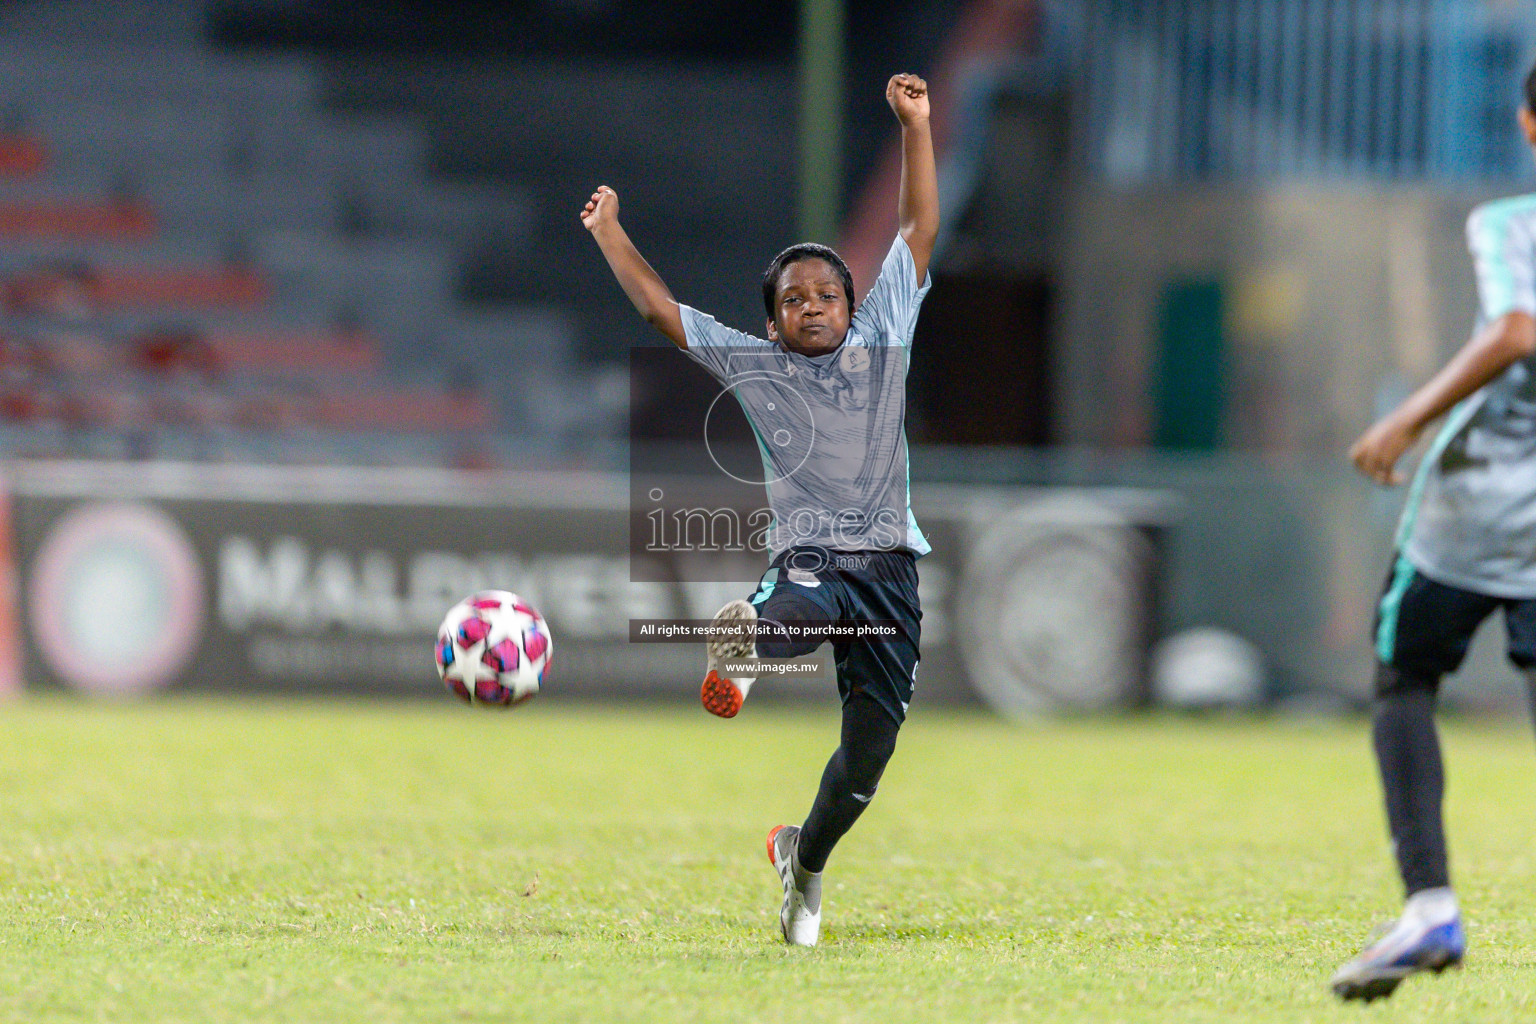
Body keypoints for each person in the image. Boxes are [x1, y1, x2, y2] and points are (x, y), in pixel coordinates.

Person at [581, 73, 938, 946]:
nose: (812, 305)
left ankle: (801, 860)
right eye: (792, 300)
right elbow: (661, 311)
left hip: (891, 569)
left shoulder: (885, 334)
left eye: (826, 295)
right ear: (771, 327)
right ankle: (745, 648)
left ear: (855, 308)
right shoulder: (758, 366)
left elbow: (916, 227)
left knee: (866, 764)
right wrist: (610, 232)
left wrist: (916, 127)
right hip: (814, 555)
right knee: (796, 604)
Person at [1332, 64, 1536, 1002]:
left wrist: (1404, 419)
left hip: (1480, 506)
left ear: (1528, 126)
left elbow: (1517, 328)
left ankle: (1429, 905)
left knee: (1403, 677)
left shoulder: (1506, 223)